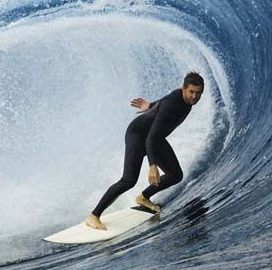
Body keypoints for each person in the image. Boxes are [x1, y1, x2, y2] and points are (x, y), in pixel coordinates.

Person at [85, 72, 205, 230]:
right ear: (183, 89)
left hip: (155, 137)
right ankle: (94, 216)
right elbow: (151, 137)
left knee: (175, 175)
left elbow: (161, 104)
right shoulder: (173, 104)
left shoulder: (181, 99)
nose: (194, 97)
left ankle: (143, 197)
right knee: (128, 180)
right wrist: (152, 165)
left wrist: (149, 106)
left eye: (198, 93)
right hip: (138, 135)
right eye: (191, 92)